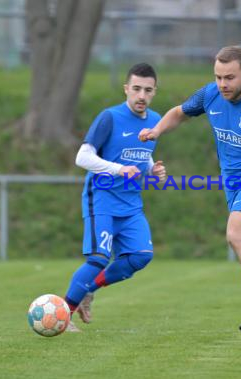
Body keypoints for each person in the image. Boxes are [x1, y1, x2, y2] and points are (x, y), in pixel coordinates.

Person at [139, 45, 241, 333]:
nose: (222, 84)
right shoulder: (210, 95)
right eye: (218, 77)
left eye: (229, 77)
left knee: (236, 234)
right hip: (234, 184)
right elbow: (179, 112)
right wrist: (157, 131)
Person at [63, 63, 167, 332]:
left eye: (147, 90)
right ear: (126, 89)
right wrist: (119, 169)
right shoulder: (109, 117)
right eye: (136, 89)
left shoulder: (156, 121)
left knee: (141, 256)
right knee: (99, 258)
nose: (141, 95)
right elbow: (82, 157)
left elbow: (140, 157)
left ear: (155, 92)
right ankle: (64, 314)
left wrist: (153, 170)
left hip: (131, 205)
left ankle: (88, 289)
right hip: (102, 199)